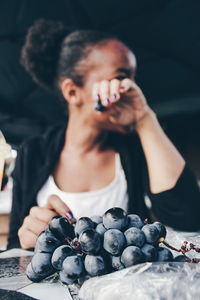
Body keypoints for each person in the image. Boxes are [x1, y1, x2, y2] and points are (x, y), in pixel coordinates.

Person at [7, 20, 200, 250]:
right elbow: (15, 245)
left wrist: (144, 117)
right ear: (72, 91)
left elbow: (188, 218)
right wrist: (28, 238)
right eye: (121, 76)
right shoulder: (33, 151)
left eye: (133, 79)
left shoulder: (134, 147)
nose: (130, 87)